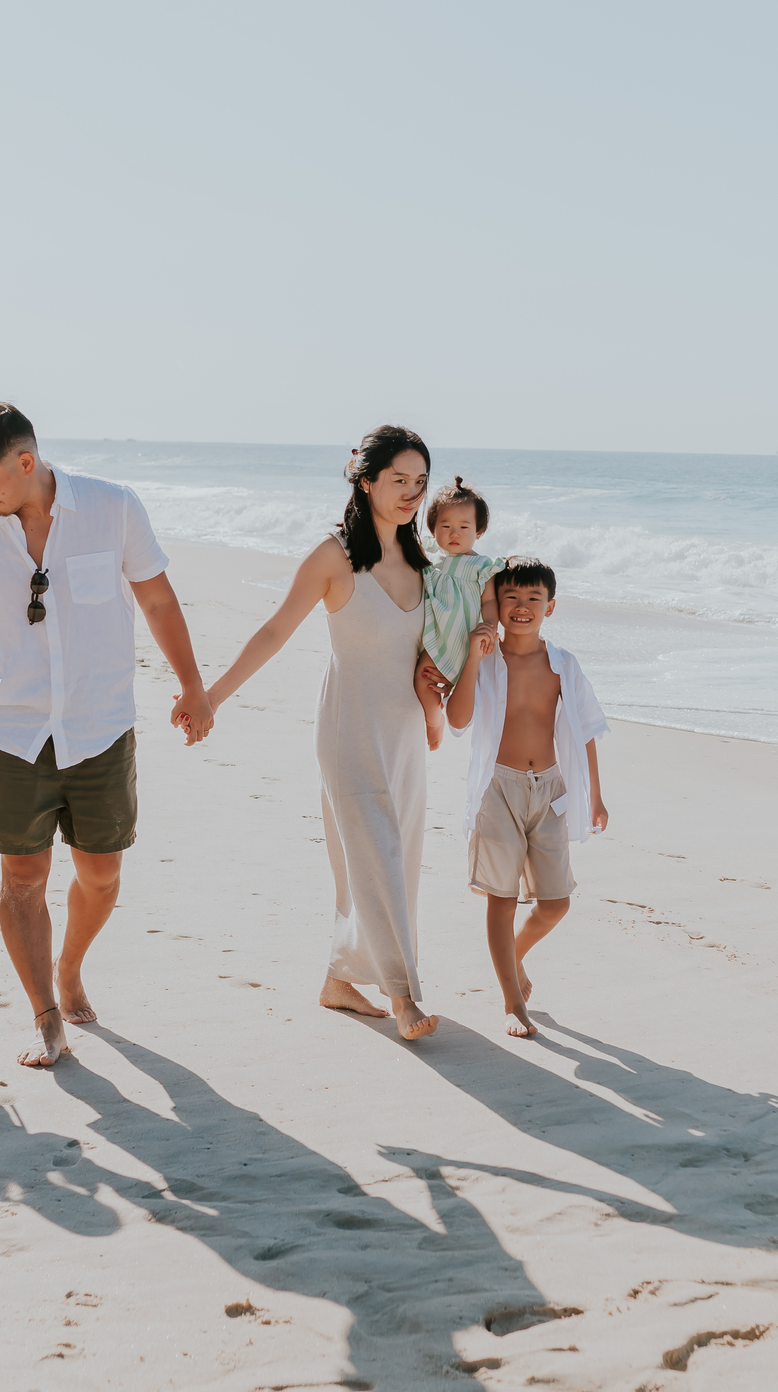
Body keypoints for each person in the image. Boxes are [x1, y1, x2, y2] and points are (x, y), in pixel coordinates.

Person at [0, 401, 213, 1070]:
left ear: (26, 462)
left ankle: (70, 964)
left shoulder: (113, 508)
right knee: (22, 876)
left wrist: (192, 685)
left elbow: (158, 599)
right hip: (15, 731)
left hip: (100, 725)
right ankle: (47, 1016)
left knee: (101, 876)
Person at [204, 425, 439, 1043]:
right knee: (376, 860)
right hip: (350, 730)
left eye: (420, 482)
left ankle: (340, 979)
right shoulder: (334, 557)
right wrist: (212, 696)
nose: (412, 493)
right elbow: (275, 631)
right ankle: (403, 995)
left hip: (407, 736)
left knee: (398, 862)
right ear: (366, 481)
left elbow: (438, 652)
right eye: (399, 480)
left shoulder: (422, 562)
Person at [445, 559, 609, 1039]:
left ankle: (512, 959)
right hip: (497, 788)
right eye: (511, 598)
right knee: (502, 896)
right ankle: (513, 1002)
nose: (521, 608)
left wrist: (596, 796)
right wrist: (474, 657)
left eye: (533, 599)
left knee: (556, 903)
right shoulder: (486, 660)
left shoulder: (563, 664)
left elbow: (586, 731)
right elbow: (457, 720)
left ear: (550, 608)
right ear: (497, 605)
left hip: (551, 790)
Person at [413, 476, 504, 750]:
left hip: (462, 636)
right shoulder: (430, 557)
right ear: (433, 530)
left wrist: (489, 625)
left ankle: (452, 720)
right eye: (446, 526)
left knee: (463, 690)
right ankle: (433, 720)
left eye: (464, 526)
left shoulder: (481, 566)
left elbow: (489, 602)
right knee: (422, 679)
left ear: (478, 531)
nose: (454, 533)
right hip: (436, 632)